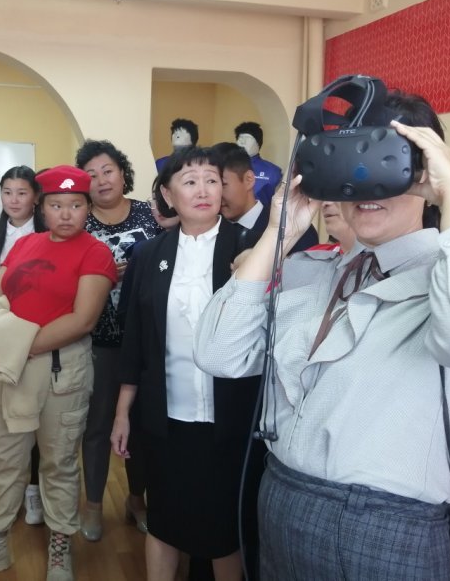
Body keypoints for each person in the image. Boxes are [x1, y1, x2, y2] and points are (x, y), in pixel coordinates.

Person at [195, 91, 450, 581]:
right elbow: (218, 353)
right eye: (349, 162)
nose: (364, 181)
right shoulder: (320, 275)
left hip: (382, 528)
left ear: (423, 170)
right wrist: (279, 232)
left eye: (385, 160)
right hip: (282, 502)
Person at [0, 165, 116, 581]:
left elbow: (82, 320)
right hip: (10, 372)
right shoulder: (24, 245)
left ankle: (59, 551)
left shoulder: (95, 253)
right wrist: (11, 349)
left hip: (60, 372)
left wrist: (14, 345)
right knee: (4, 462)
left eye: (76, 205)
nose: (66, 214)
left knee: (58, 463)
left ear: (88, 207)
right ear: (42, 206)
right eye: (56, 205)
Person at [111, 146, 265, 581]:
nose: (203, 190)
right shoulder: (149, 255)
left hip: (231, 417)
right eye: (190, 181)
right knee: (164, 519)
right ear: (167, 194)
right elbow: (135, 340)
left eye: (212, 180)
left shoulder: (249, 247)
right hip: (166, 415)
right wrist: (122, 412)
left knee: (223, 529)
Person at [75, 139, 162, 541]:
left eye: (107, 170)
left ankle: (136, 499)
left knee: (142, 426)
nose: (101, 180)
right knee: (96, 425)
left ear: (122, 172)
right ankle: (94, 505)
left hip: (145, 340)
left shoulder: (150, 214)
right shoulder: (79, 222)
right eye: (91, 175)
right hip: (98, 340)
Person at [0, 165, 46, 526]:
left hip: (42, 339)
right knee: (8, 426)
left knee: (39, 423)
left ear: (35, 196)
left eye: (22, 192)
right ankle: (10, 495)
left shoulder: (47, 234)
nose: (14, 200)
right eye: (7, 192)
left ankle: (34, 489)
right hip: (4, 342)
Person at [233, 121, 282, 207]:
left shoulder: (273, 172)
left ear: (258, 144)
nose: (242, 142)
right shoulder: (226, 167)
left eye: (247, 138)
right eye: (240, 139)